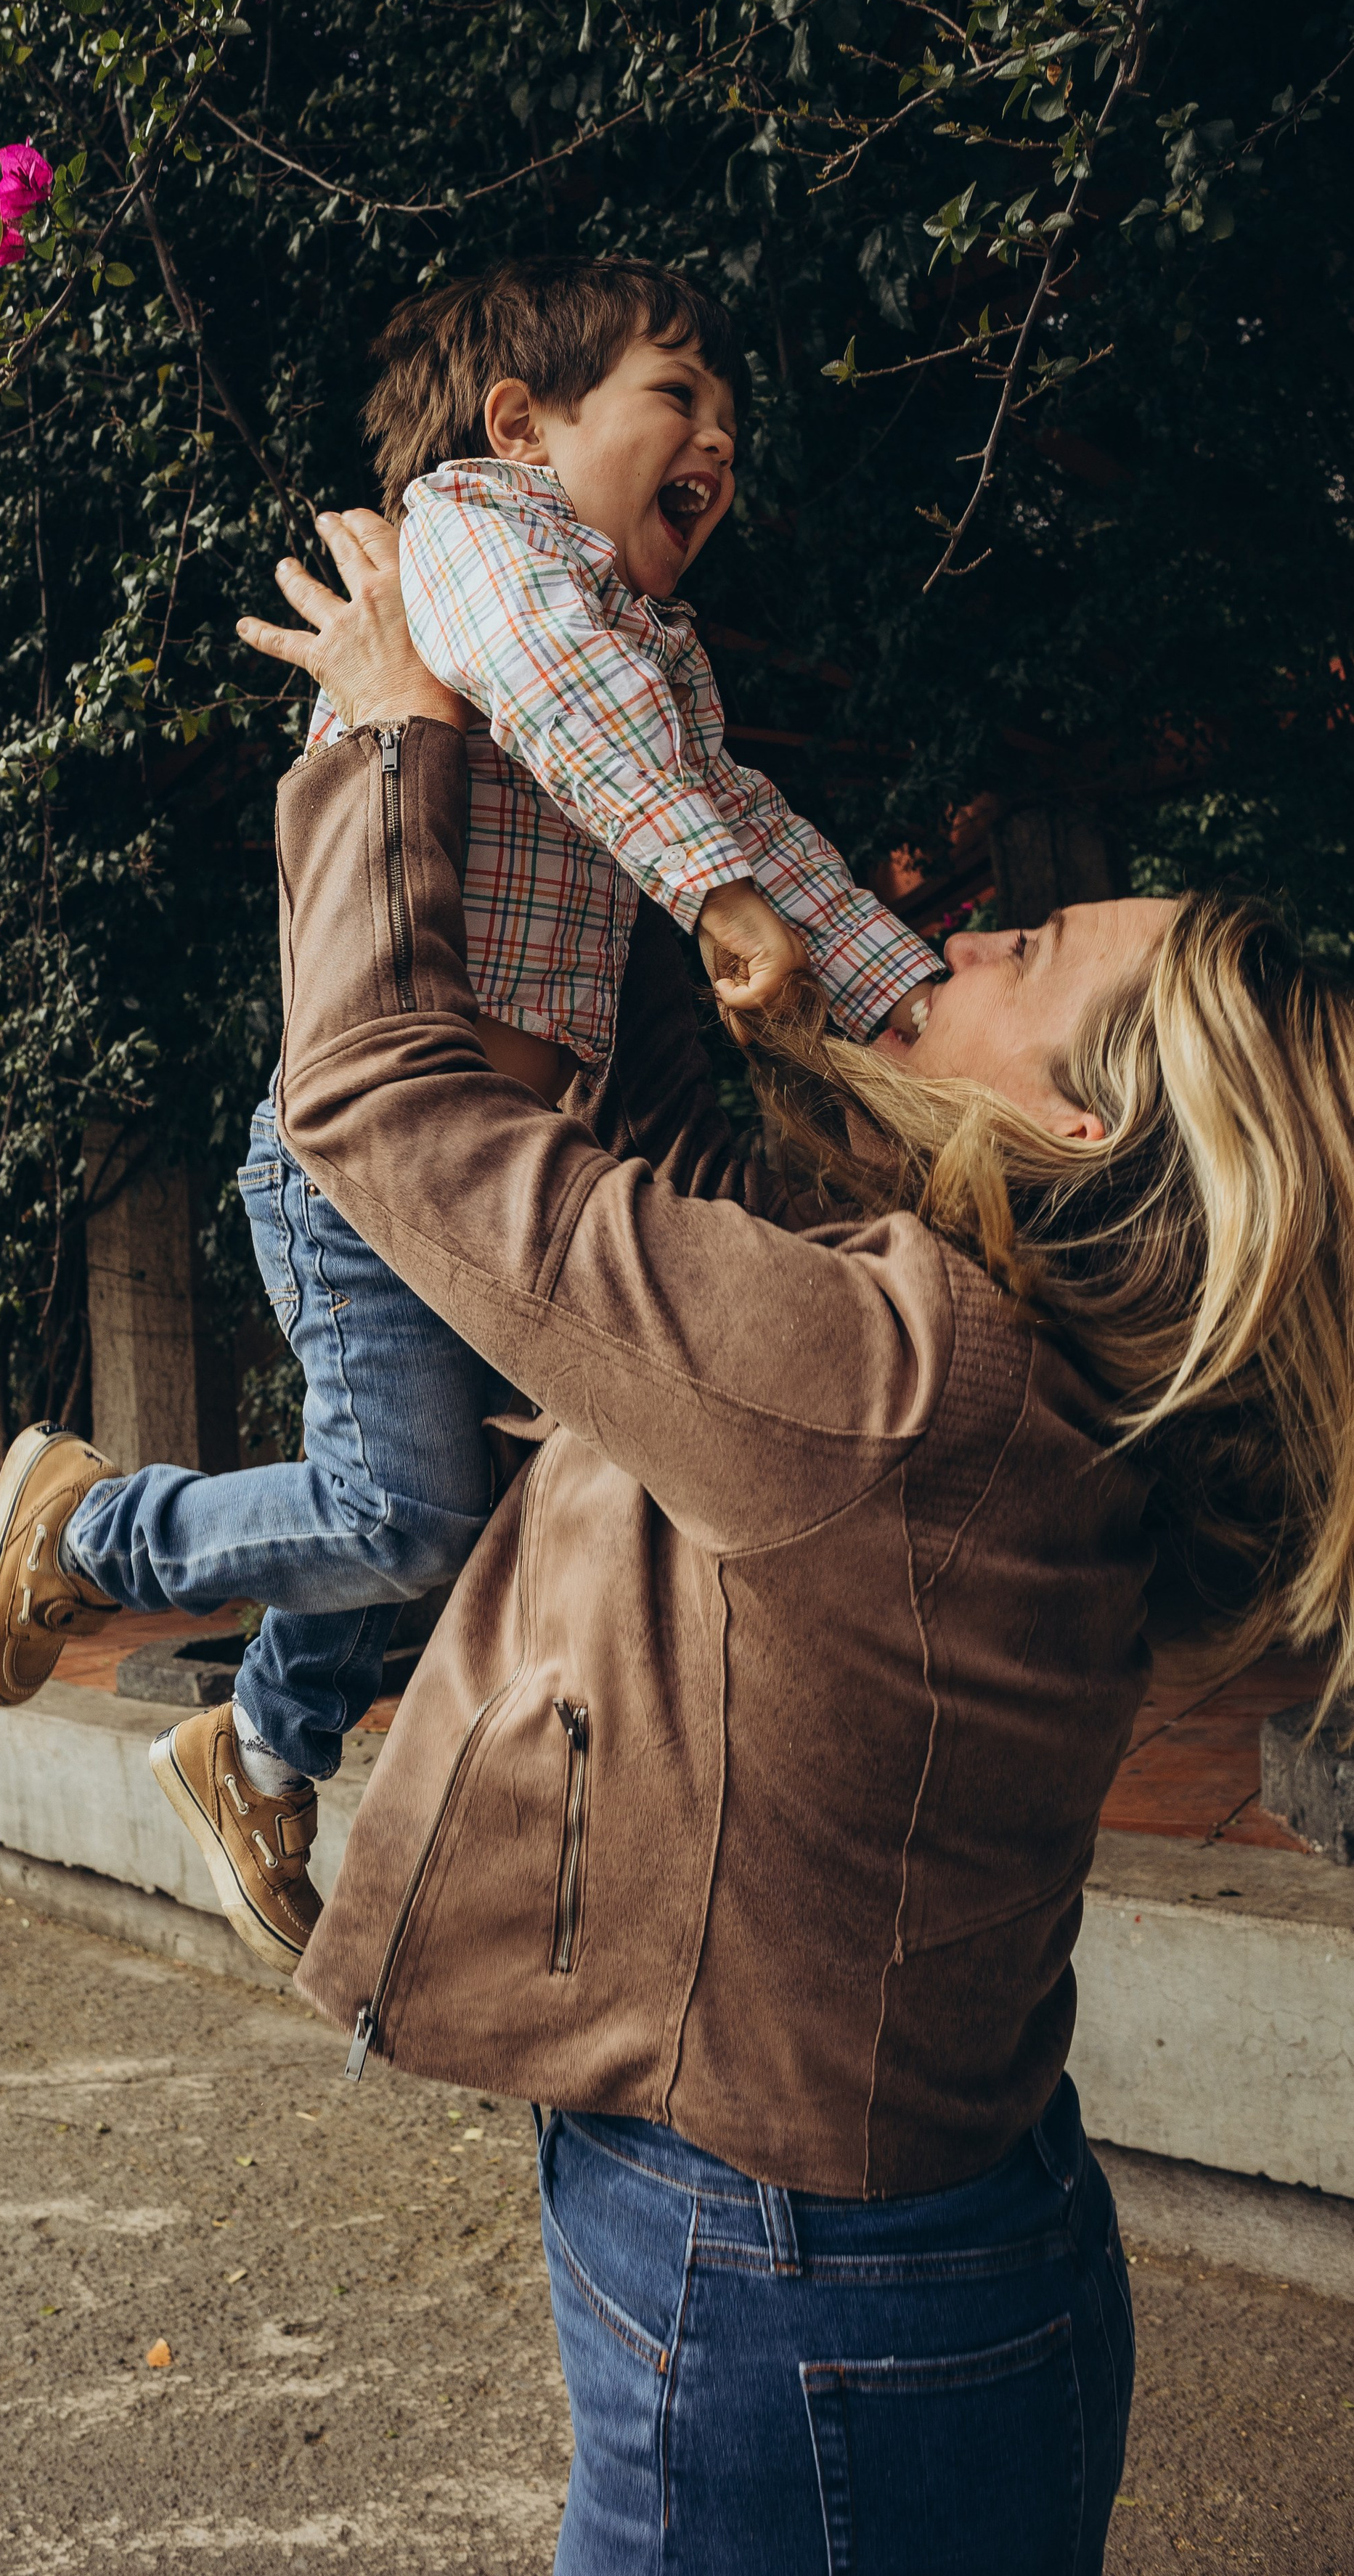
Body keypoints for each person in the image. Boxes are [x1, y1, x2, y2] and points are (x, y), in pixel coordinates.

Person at [218, 511, 1347, 2572]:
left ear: (1082, 1129)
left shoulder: (892, 1387)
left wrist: (394, 742)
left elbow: (382, 1106)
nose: (971, 935)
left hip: (789, 2299)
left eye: (1028, 951)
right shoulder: (992, 1369)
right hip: (904, 2254)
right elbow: (654, 1165)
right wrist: (638, 814)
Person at [0, 258, 942, 1976]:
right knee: (406, 1510)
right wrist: (708, 898)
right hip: (363, 1158)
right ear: (519, 423)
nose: (716, 441)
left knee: (449, 1508)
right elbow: (561, 694)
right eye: (676, 395)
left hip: (485, 1179)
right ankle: (88, 1525)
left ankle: (256, 1749)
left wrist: (906, 999)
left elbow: (746, 816)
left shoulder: (657, 657)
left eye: (727, 422)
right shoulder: (471, 539)